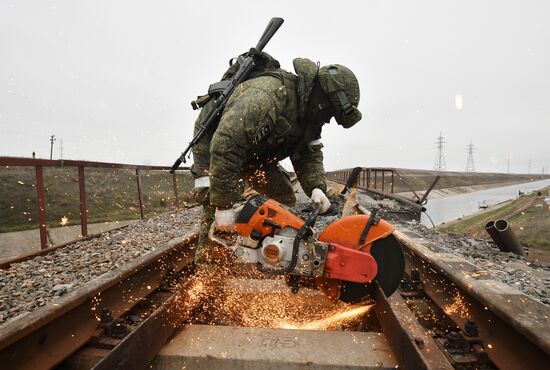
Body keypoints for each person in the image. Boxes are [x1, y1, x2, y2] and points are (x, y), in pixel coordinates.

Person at [190, 54, 362, 264]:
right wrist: (224, 204)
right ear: (323, 99)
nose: (328, 119)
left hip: (253, 153)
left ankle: (267, 257)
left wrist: (316, 187)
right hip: (215, 148)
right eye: (331, 113)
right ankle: (209, 279)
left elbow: (308, 153)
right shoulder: (267, 95)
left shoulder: (308, 116)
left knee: (282, 201)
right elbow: (226, 144)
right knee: (215, 211)